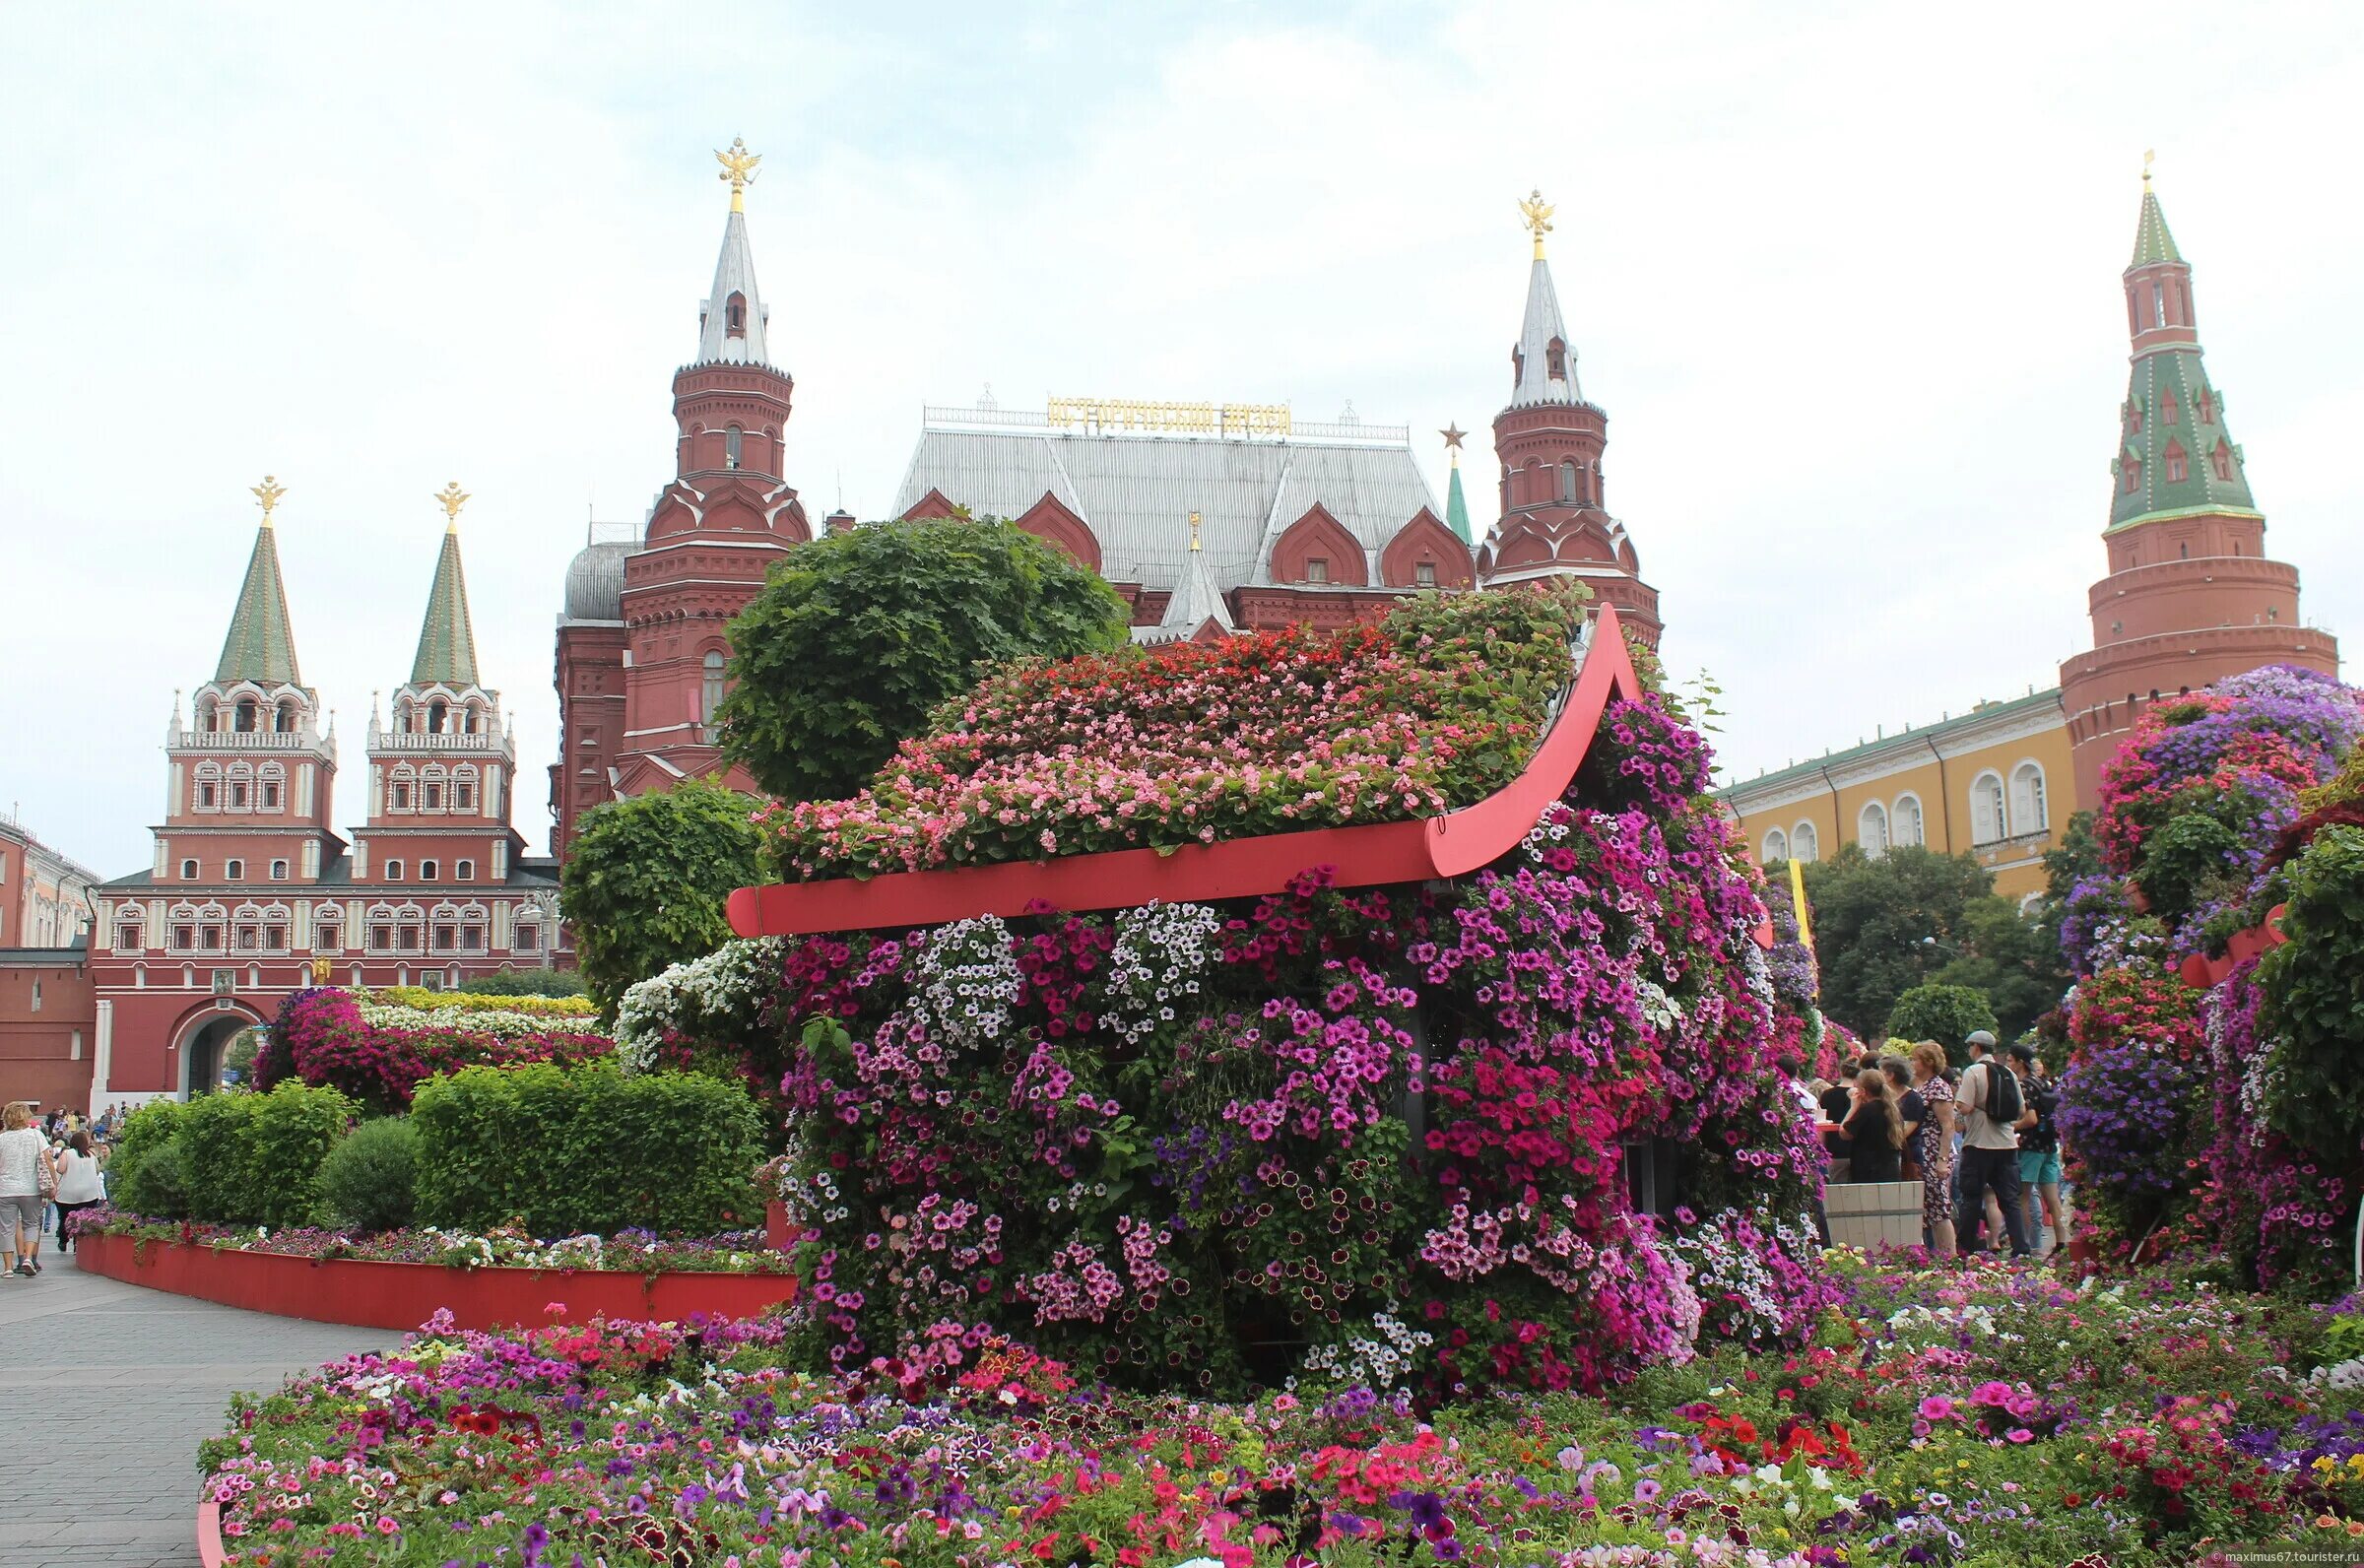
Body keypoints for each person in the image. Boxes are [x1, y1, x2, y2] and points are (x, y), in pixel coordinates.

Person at [1956, 1032, 2033, 1258]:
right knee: (2010, 1199)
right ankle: (2021, 1248)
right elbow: (2020, 1110)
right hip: (2007, 1144)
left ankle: (1967, 1247)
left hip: (1978, 1143)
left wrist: (1971, 1107)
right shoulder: (2008, 1072)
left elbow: (1965, 1107)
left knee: (1971, 1197)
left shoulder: (1973, 1072)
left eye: (1970, 1046)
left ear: (1976, 1048)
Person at [2011, 1044, 2068, 1258]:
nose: (2009, 1064)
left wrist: (2011, 1127)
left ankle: (2024, 1243)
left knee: (2023, 1195)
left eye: (2010, 1060)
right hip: (2048, 1145)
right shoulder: (2044, 1082)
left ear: (2019, 1062)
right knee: (2052, 1198)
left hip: (2031, 1146)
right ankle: (2061, 1241)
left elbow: (2031, 1119)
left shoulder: (2025, 1085)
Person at [1908, 1041, 1958, 1257]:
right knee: (1930, 1207)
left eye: (1915, 1059)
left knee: (1939, 1206)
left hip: (1934, 1152)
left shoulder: (1937, 1087)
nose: (1912, 1063)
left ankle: (1950, 1256)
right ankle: (1938, 1255)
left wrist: (1942, 1160)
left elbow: (1948, 1127)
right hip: (1923, 1151)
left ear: (1927, 1062)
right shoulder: (1922, 1086)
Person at [1829, 1067, 1906, 1183]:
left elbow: (1844, 1133)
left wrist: (1853, 1107)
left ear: (1863, 1091)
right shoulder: (1893, 1109)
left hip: (1869, 1171)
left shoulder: (1868, 1110)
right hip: (1891, 1169)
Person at [0, 1102, 48, 1277]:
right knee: (31, 1224)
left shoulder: (2, 1138)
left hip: (5, 1190)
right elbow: (48, 1159)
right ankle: (28, 1257)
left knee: (6, 1228)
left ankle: (7, 1268)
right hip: (30, 1188)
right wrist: (53, 1184)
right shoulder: (36, 1135)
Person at [49, 1132, 105, 1252]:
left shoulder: (67, 1154)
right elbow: (98, 1170)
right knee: (83, 1218)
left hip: (68, 1192)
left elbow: (60, 1169)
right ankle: (78, 1243)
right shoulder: (91, 1155)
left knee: (64, 1217)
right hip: (89, 1193)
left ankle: (63, 1240)